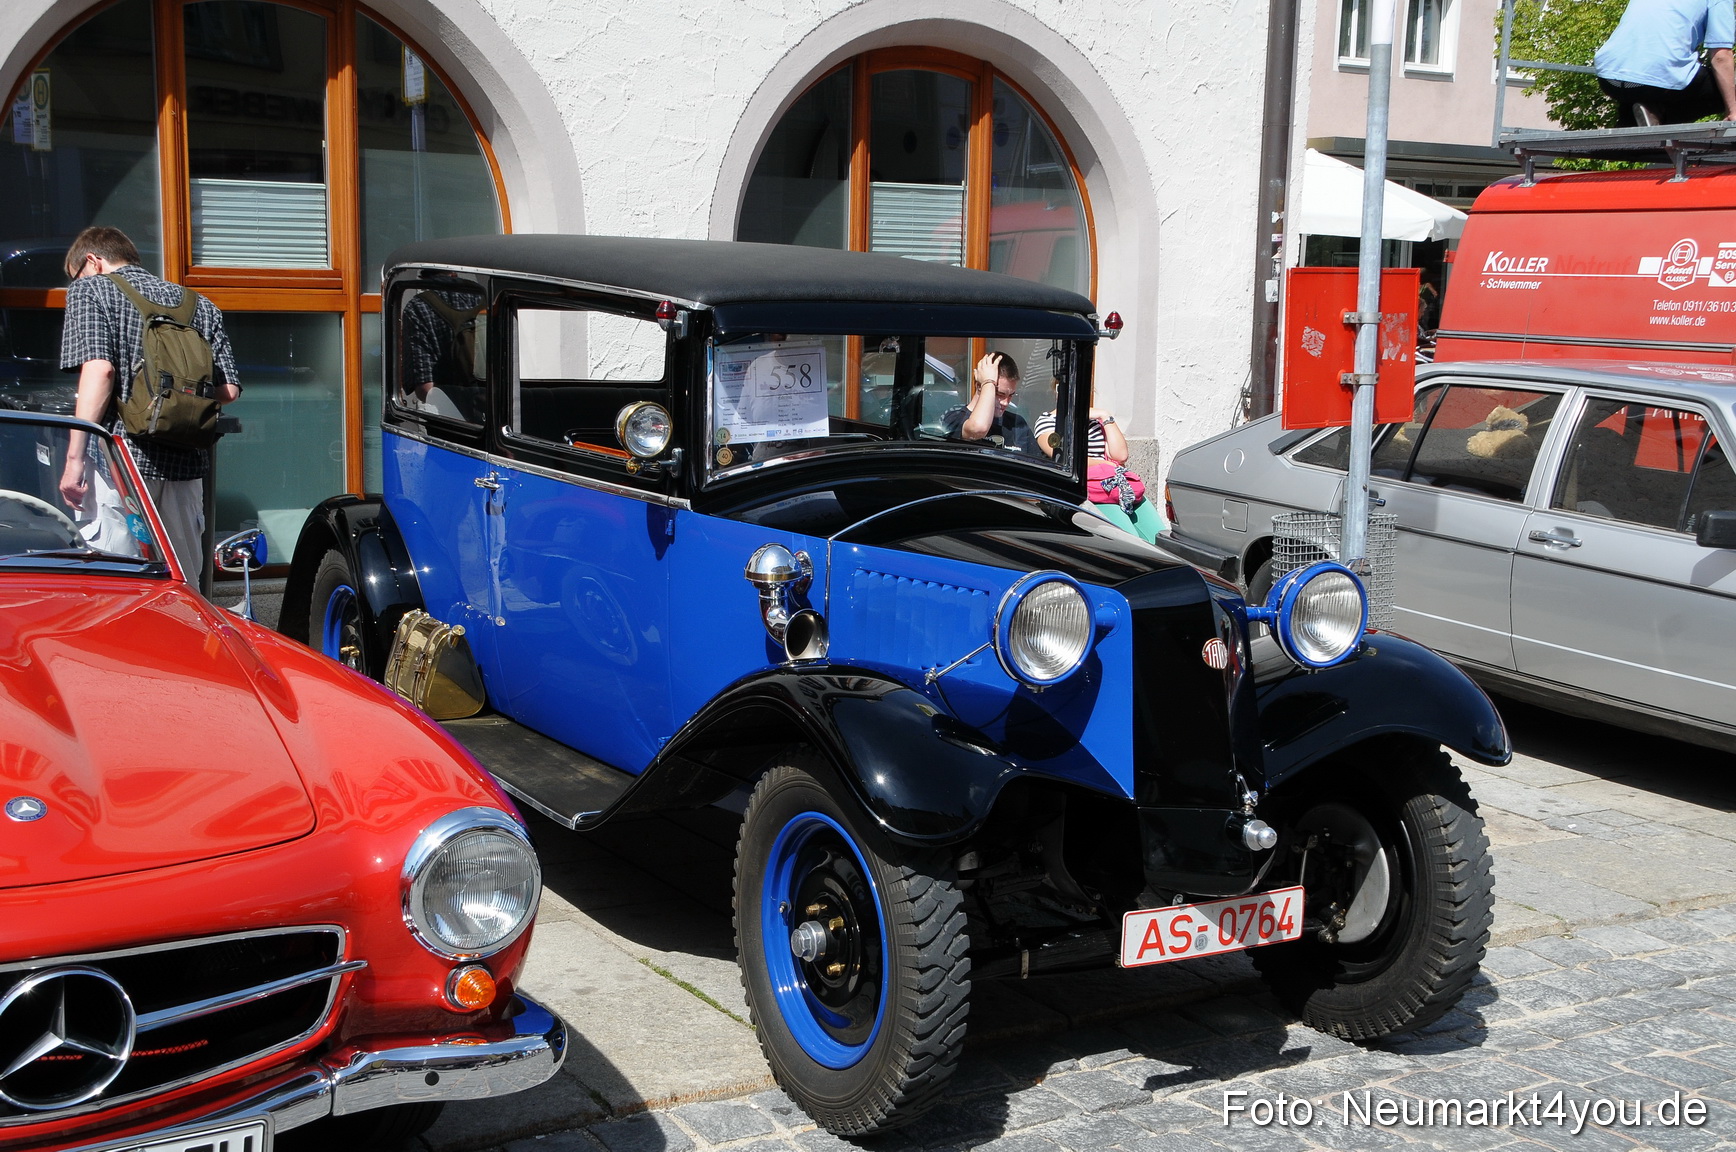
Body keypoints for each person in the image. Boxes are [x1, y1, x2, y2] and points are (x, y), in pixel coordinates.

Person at [58, 226, 240, 581]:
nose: (74, 283)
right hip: (185, 465)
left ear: (93, 262)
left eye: (75, 275)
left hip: (120, 460)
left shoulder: (91, 290)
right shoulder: (199, 305)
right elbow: (228, 390)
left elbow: (101, 371)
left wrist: (74, 458)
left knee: (119, 585)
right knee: (182, 585)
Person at [1034, 402, 1167, 543]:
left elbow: (1120, 455)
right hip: (1090, 490)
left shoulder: (1096, 421)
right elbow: (1064, 459)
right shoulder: (1048, 422)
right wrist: (1105, 464)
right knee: (1131, 541)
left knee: (1160, 538)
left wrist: (1105, 416)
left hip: (1118, 487)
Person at [1594, 0, 1736, 127]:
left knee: (1646, 79)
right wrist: (1733, 111)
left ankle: (1630, 120)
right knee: (1726, 90)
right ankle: (1658, 115)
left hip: (1609, 79)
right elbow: (1721, 56)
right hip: (1654, 81)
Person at [942, 351, 1042, 458]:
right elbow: (977, 429)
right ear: (980, 386)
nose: (1005, 402)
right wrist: (988, 382)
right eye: (999, 394)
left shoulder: (1017, 424)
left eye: (1011, 395)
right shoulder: (955, 417)